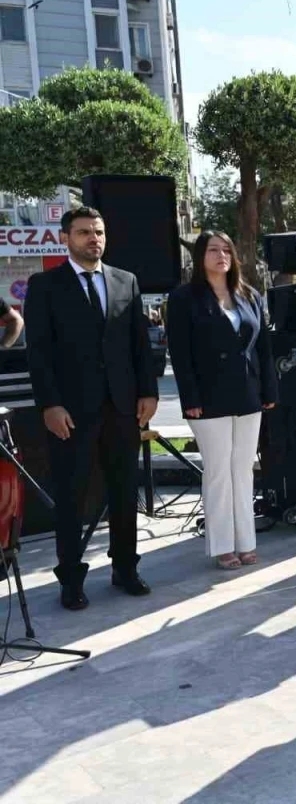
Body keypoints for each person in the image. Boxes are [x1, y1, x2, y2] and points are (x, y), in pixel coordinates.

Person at [23, 207, 158, 610]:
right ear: (65, 238)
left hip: (122, 407)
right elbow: (39, 353)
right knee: (72, 496)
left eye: (98, 232)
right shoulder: (45, 285)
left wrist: (148, 392)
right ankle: (70, 579)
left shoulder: (125, 280)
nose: (93, 239)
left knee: (124, 491)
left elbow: (139, 343)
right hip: (71, 410)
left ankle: (125, 568)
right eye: (84, 232)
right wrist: (50, 404)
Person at [166, 232, 278, 570]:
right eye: (213, 250)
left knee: (243, 469)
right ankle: (222, 546)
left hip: (248, 393)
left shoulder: (249, 294)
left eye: (227, 249)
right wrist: (190, 397)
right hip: (207, 396)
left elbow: (263, 347)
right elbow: (181, 353)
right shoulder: (184, 298)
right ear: (200, 257)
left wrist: (269, 390)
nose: (222, 255)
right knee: (218, 470)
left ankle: (246, 542)